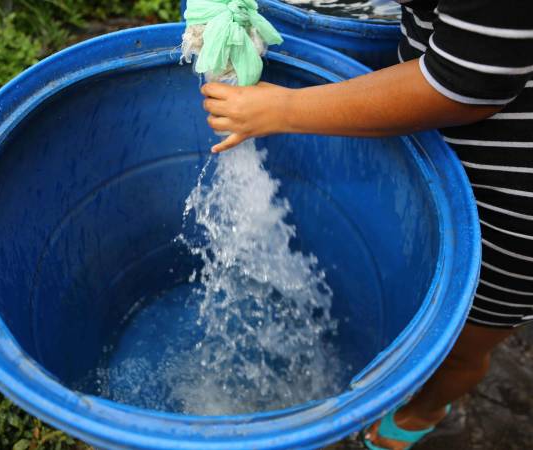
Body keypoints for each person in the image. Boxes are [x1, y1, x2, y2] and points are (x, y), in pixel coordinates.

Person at [200, 1, 533, 448]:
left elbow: (465, 84)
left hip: (513, 202)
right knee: (408, 273)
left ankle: (425, 411)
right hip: (439, 137)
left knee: (466, 339)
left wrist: (286, 109)